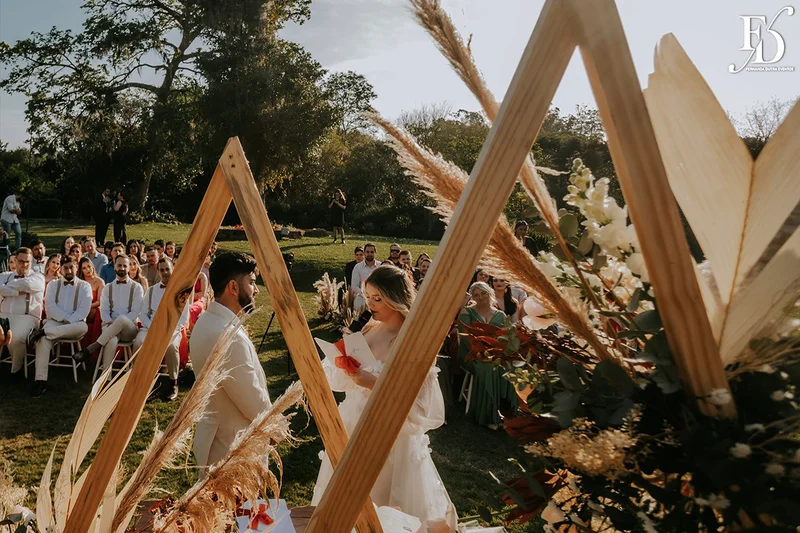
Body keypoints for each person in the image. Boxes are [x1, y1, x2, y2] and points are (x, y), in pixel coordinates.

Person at [312, 265, 457, 530]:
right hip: (352, 428)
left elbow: (419, 405)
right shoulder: (367, 330)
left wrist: (371, 382)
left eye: (378, 298)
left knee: (384, 508)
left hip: (389, 438)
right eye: (368, 297)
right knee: (344, 505)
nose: (370, 304)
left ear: (396, 298)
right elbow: (339, 382)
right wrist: (344, 357)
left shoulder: (413, 341)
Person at [191, 252, 270, 472]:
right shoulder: (226, 335)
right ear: (233, 287)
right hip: (231, 449)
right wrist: (277, 431)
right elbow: (252, 400)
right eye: (251, 283)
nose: (256, 290)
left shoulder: (207, 321)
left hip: (216, 438)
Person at [457, 282, 518, 429]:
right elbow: (466, 339)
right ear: (472, 297)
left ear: (490, 293)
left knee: (511, 366)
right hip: (471, 354)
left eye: (483, 293)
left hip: (494, 353)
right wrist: (480, 353)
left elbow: (505, 337)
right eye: (476, 295)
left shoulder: (500, 315)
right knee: (488, 367)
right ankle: (489, 415)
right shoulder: (467, 312)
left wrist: (498, 352)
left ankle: (508, 411)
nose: (481, 297)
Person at [29, 257, 93, 397]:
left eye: (71, 267)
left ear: (76, 267)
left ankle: (44, 331)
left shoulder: (84, 286)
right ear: (61, 268)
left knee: (84, 328)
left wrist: (69, 321)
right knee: (43, 341)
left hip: (75, 325)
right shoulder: (53, 285)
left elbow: (83, 310)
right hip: (55, 321)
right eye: (66, 268)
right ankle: (40, 381)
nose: (69, 271)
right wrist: (64, 318)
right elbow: (50, 307)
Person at [72, 254, 144, 371]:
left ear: (129, 267)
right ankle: (106, 377)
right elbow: (104, 310)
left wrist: (118, 322)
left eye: (124, 266)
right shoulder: (107, 287)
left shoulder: (137, 287)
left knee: (122, 319)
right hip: (109, 326)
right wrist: (111, 322)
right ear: (114, 266)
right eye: (119, 265)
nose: (122, 268)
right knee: (111, 341)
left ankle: (92, 347)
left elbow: (136, 312)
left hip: (129, 329)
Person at [133, 257, 190, 401]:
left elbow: (184, 318)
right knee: (138, 342)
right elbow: (143, 314)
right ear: (158, 272)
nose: (165, 272)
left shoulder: (181, 291)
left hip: (172, 329)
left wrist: (169, 329)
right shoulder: (151, 291)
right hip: (150, 327)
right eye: (162, 270)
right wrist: (153, 327)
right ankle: (138, 381)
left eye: (167, 269)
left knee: (171, 346)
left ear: (172, 270)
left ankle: (173, 382)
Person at [0, 247, 45, 374]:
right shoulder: (4, 275)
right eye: (21, 261)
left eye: (27, 262)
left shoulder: (38, 277)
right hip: (3, 316)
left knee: (17, 338)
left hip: (27, 317)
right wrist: (17, 291)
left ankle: (16, 370)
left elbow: (28, 285)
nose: (24, 265)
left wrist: (7, 287)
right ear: (15, 260)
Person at [78, 257, 105, 359]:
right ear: (81, 270)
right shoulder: (79, 282)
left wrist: (87, 306)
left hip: (92, 308)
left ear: (93, 267)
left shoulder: (99, 281)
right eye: (84, 268)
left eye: (89, 266)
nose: (88, 270)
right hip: (80, 308)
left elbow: (100, 301)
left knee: (95, 310)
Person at [350, 243, 381, 312]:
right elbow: (354, 286)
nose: (369, 254)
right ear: (364, 253)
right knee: (358, 303)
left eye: (372, 252)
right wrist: (365, 294)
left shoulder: (380, 266)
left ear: (375, 253)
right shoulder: (358, 267)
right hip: (362, 295)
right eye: (367, 252)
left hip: (378, 295)